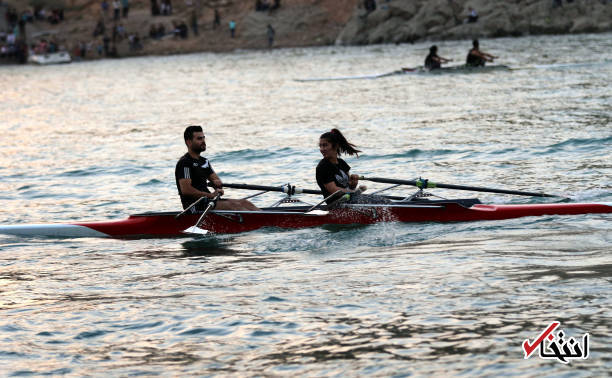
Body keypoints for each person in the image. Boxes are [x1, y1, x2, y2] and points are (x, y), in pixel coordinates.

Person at [176, 126, 259, 212]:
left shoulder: (204, 161)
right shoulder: (184, 163)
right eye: (199, 139)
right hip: (195, 207)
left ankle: (266, 219)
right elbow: (186, 190)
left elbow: (216, 180)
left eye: (203, 138)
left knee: (244, 203)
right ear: (189, 142)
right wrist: (210, 195)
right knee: (235, 206)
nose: (203, 141)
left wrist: (216, 183)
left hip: (208, 202)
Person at [316, 129, 390, 205]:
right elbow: (334, 191)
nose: (322, 149)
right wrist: (354, 192)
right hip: (336, 204)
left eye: (325, 145)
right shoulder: (323, 167)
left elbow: (349, 187)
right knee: (378, 202)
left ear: (336, 146)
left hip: (349, 200)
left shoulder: (341, 163)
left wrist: (353, 184)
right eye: (320, 146)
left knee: (383, 200)